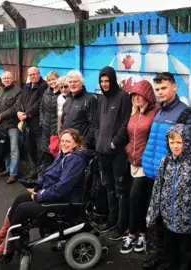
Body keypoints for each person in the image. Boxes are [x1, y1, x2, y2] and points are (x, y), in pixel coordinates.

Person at [0, 128, 92, 258]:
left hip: (65, 201)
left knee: (23, 209)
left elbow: (62, 188)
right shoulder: (64, 155)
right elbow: (49, 174)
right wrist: (37, 187)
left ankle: (8, 245)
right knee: (20, 199)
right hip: (56, 195)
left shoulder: (75, 161)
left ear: (76, 143)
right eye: (62, 141)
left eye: (68, 141)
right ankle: (2, 235)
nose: (63, 144)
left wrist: (40, 195)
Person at [142, 72, 191, 269]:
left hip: (173, 177)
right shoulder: (159, 111)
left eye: (164, 88)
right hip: (153, 173)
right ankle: (161, 256)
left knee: (171, 223)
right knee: (158, 220)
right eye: (157, 89)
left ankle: (174, 261)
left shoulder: (185, 114)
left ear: (174, 87)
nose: (160, 93)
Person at [146, 123, 191, 270]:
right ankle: (168, 264)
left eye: (179, 142)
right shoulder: (165, 162)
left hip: (187, 221)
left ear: (186, 142)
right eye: (172, 142)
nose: (175, 146)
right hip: (168, 218)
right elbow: (157, 189)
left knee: (186, 254)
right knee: (169, 249)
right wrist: (152, 213)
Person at [121, 80, 159, 254]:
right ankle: (141, 234)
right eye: (134, 95)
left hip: (146, 163)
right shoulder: (133, 114)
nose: (137, 98)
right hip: (132, 162)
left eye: (140, 95)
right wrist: (127, 148)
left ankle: (133, 234)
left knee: (135, 197)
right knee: (138, 199)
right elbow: (129, 135)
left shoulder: (155, 113)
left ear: (148, 96)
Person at [95, 66, 132, 241]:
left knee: (120, 189)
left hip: (117, 152)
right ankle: (111, 219)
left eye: (107, 81)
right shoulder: (101, 99)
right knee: (108, 187)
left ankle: (121, 224)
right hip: (102, 151)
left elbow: (126, 121)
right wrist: (98, 140)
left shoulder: (123, 96)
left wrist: (114, 141)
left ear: (113, 80)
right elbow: (97, 123)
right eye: (102, 81)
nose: (104, 84)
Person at [15, 67, 49, 181]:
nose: (33, 76)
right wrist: (19, 111)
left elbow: (39, 103)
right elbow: (20, 100)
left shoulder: (44, 86)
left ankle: (40, 172)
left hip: (37, 123)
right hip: (26, 123)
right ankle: (33, 169)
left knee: (39, 149)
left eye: (35, 74)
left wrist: (27, 114)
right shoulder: (27, 86)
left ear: (39, 74)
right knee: (29, 147)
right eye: (30, 75)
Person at [0, 71, 22, 184]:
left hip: (12, 125)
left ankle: (13, 174)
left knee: (14, 149)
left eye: (8, 78)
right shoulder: (0, 90)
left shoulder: (18, 91)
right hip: (1, 125)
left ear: (12, 78)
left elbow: (16, 108)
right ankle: (8, 168)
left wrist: (0, 116)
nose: (6, 80)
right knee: (4, 148)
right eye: (4, 78)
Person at [61, 70, 98, 149]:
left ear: (81, 82)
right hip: (67, 144)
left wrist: (85, 142)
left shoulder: (90, 99)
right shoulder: (68, 98)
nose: (72, 84)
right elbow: (63, 120)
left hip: (80, 145)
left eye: (75, 81)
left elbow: (94, 125)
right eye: (70, 82)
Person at [39, 71, 61, 167]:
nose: (52, 82)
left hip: (56, 129)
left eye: (53, 79)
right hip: (46, 127)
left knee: (55, 152)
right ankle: (44, 177)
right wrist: (42, 121)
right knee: (45, 153)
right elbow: (41, 108)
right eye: (49, 80)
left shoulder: (62, 93)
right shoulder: (46, 92)